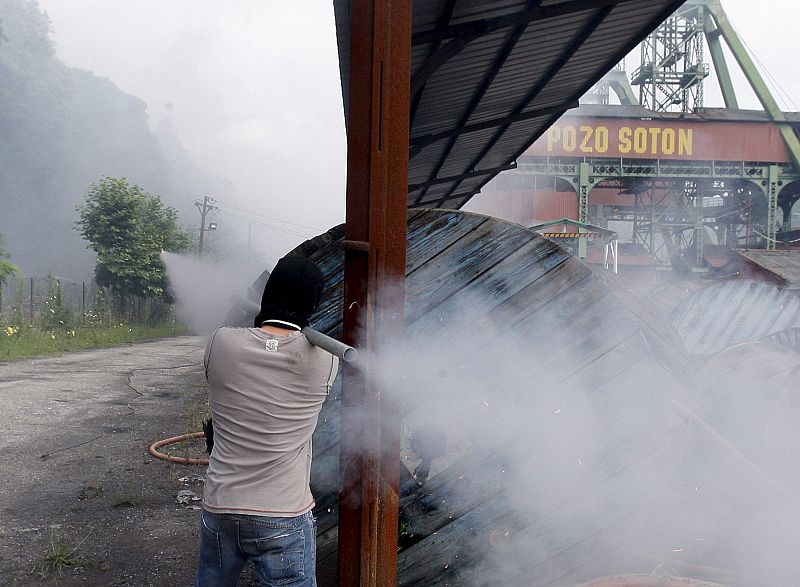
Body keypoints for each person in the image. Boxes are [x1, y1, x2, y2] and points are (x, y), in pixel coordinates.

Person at [195, 255, 339, 586]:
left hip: (221, 507)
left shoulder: (220, 343)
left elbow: (246, 334)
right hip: (284, 515)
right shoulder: (326, 360)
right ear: (312, 304)